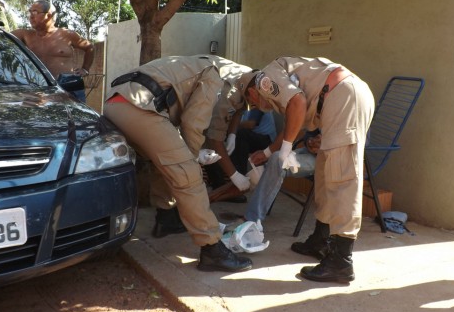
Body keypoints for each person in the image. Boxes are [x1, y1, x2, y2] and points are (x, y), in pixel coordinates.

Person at [103, 54, 252, 273]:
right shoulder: (214, 74)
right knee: (187, 173)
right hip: (139, 107)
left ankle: (167, 218)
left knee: (161, 162)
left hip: (116, 103)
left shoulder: (191, 64)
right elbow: (193, 123)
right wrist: (193, 158)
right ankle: (212, 249)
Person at [245, 56, 374, 283]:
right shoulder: (277, 79)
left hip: (342, 97)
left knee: (342, 179)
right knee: (325, 174)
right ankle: (320, 240)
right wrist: (268, 154)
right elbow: (294, 119)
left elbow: (297, 103)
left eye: (251, 102)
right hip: (337, 99)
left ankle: (341, 261)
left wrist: (284, 152)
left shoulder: (266, 78)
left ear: (253, 89)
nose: (255, 107)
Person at [12, 0, 94, 102]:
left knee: (76, 117)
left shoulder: (67, 35)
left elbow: (90, 48)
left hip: (68, 89)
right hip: (37, 90)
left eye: (35, 12)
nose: (31, 16)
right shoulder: (25, 35)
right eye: (30, 12)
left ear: (49, 15)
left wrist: (85, 69)